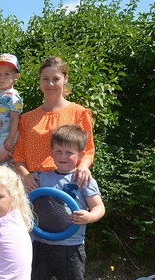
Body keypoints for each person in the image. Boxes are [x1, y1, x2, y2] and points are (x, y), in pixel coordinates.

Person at [23, 124, 105, 280]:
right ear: (51, 151)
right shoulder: (41, 177)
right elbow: (25, 201)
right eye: (58, 151)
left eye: (69, 152)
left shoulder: (83, 179)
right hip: (41, 244)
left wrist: (89, 216)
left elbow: (99, 208)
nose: (62, 156)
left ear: (79, 154)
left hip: (70, 248)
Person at [13, 56, 95, 191]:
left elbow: (88, 150)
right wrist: (26, 176)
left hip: (68, 183)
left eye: (55, 79)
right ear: (39, 80)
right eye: (45, 79)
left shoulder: (79, 113)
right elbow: (18, 156)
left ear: (65, 79)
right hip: (35, 185)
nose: (50, 84)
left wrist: (83, 167)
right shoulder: (27, 119)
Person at [0, 53, 23, 165]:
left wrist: (11, 138)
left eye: (7, 74)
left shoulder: (12, 96)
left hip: (6, 134)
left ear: (16, 76)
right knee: (0, 160)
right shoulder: (0, 93)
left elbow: (15, 118)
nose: (1, 77)